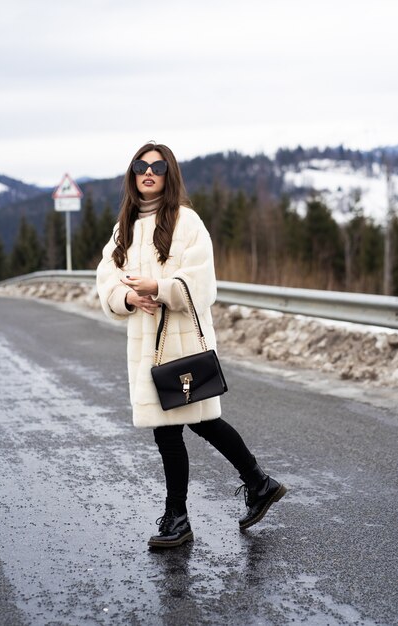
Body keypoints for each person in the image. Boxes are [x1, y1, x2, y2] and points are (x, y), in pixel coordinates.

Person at [96, 142, 287, 548]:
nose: (148, 172)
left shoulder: (187, 221)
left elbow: (203, 282)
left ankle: (180, 518)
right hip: (146, 342)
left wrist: (160, 288)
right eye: (140, 166)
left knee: (180, 426)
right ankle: (256, 483)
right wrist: (128, 297)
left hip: (180, 339)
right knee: (191, 423)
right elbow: (106, 278)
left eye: (158, 166)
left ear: (170, 175)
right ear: (132, 175)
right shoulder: (123, 228)